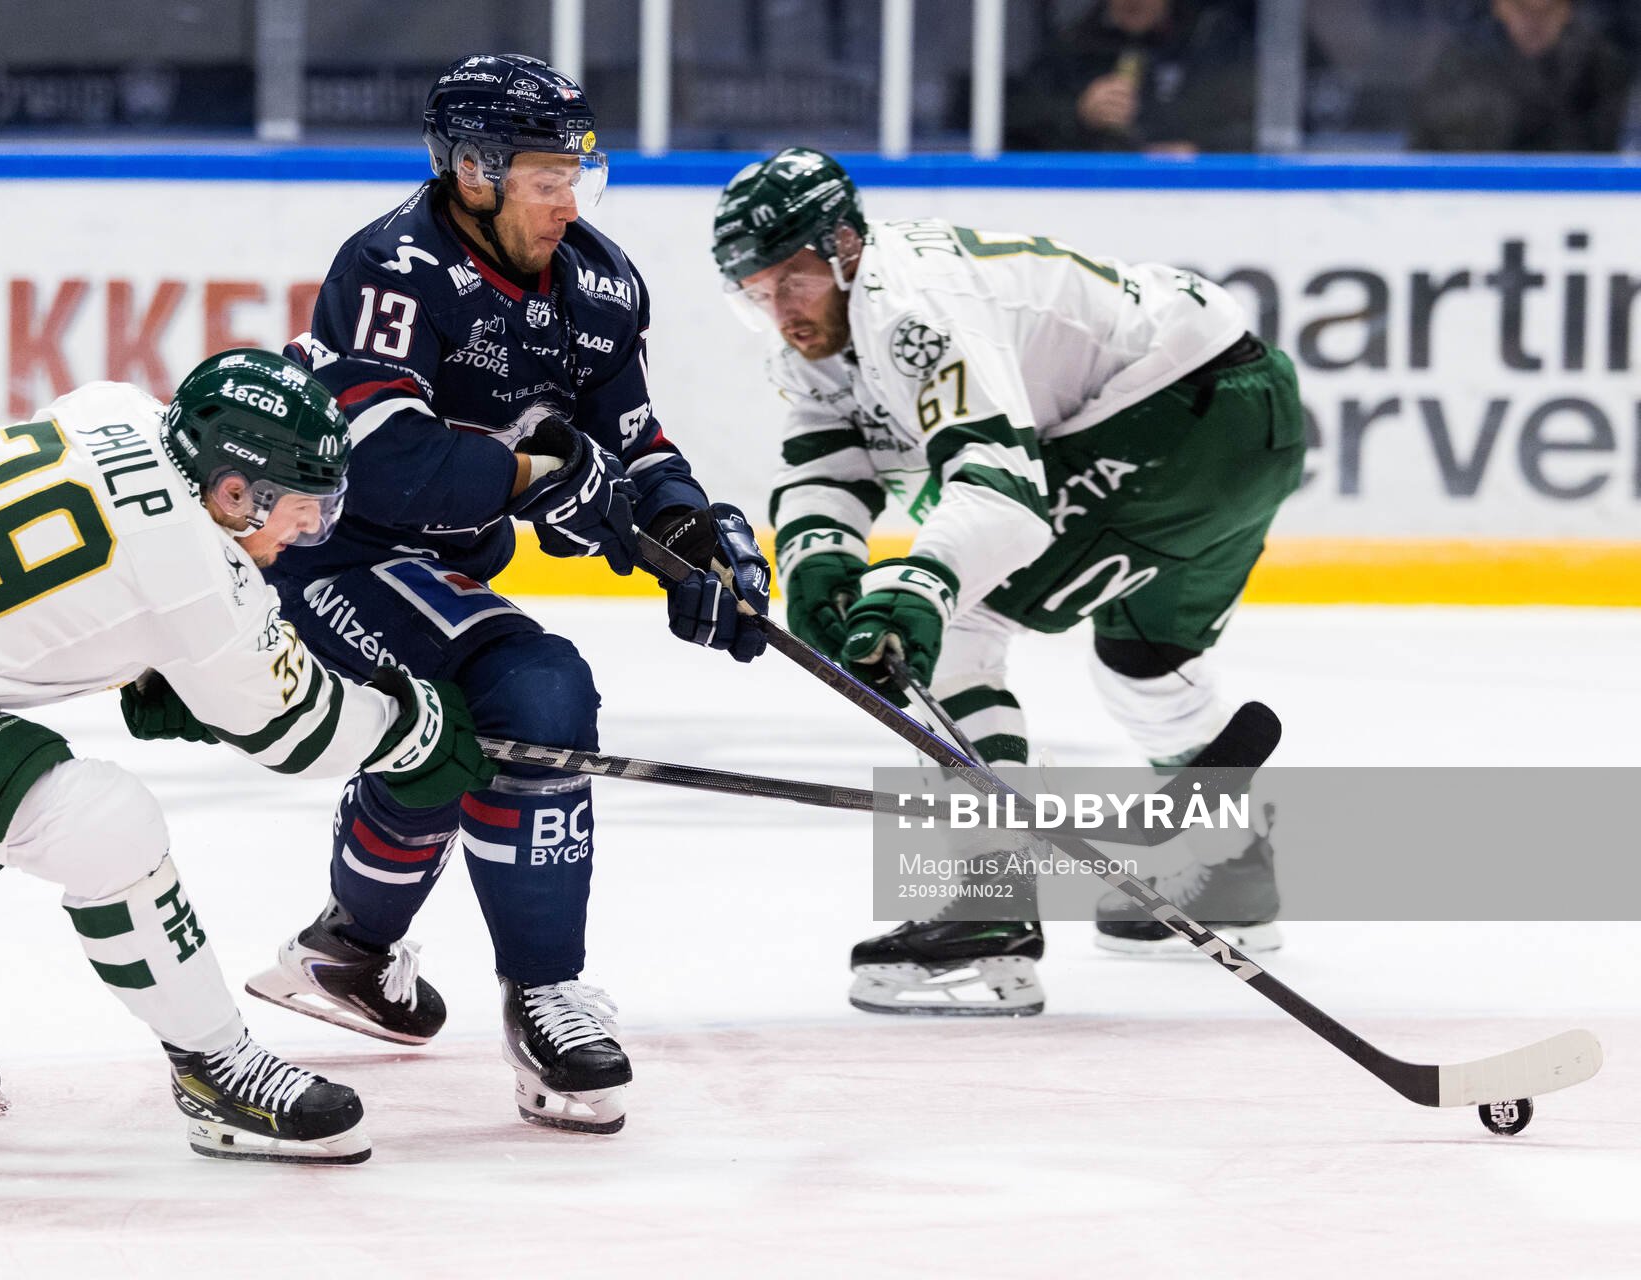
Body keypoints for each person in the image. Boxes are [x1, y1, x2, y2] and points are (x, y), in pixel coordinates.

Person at [0, 348, 495, 1163]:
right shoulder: (200, 581)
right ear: (234, 492)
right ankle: (218, 1074)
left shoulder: (112, 407)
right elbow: (299, 729)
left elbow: (80, 574)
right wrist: (414, 727)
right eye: (302, 508)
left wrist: (152, 659)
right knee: (102, 825)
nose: (308, 529)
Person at [241, 53, 769, 1136]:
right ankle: (543, 994)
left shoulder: (599, 283)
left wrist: (688, 532)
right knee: (535, 693)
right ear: (473, 172)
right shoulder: (392, 266)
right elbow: (384, 465)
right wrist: (537, 477)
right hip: (329, 554)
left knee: (458, 736)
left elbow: (635, 444)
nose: (568, 203)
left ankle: (348, 950)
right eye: (544, 179)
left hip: (438, 563)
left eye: (578, 176)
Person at [710, 148, 1304, 1015]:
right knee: (1144, 663)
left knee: (957, 626)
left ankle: (991, 905)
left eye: (792, 280)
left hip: (1173, 419)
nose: (782, 311)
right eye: (756, 293)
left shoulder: (910, 311)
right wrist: (818, 568)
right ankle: (1231, 873)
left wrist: (917, 587)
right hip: (1244, 412)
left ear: (843, 246)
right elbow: (828, 461)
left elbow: (1004, 493)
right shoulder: (827, 329)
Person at [1005, 0, 1256, 154]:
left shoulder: (1208, 41)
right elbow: (1016, 118)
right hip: (1094, 193)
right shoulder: (1072, 46)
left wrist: (1200, 150)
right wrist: (1078, 113)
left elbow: (1254, 127)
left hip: (1190, 194)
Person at [1410, 0, 1631, 152]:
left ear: (1567, 10)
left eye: (1548, 10)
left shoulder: (1599, 67)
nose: (1534, 22)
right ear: (1500, 6)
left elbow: (1602, 152)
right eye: (1522, 8)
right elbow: (1430, 150)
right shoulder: (1459, 65)